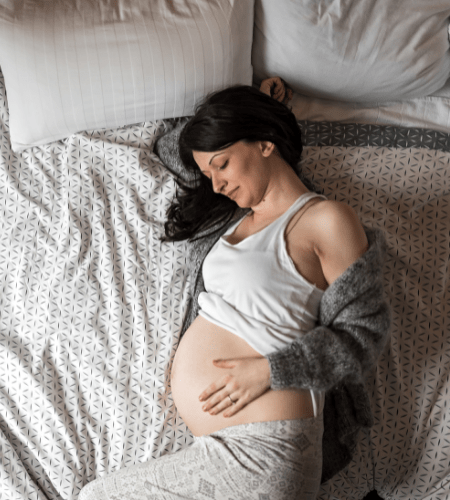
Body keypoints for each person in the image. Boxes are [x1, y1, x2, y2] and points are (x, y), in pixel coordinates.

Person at [79, 79, 390, 500]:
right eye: (208, 173)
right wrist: (251, 108)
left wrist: (270, 370)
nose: (216, 185)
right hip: (234, 448)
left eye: (222, 165)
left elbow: (363, 335)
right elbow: (178, 151)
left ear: (265, 143)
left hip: (267, 449)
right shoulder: (229, 218)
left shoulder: (326, 219)